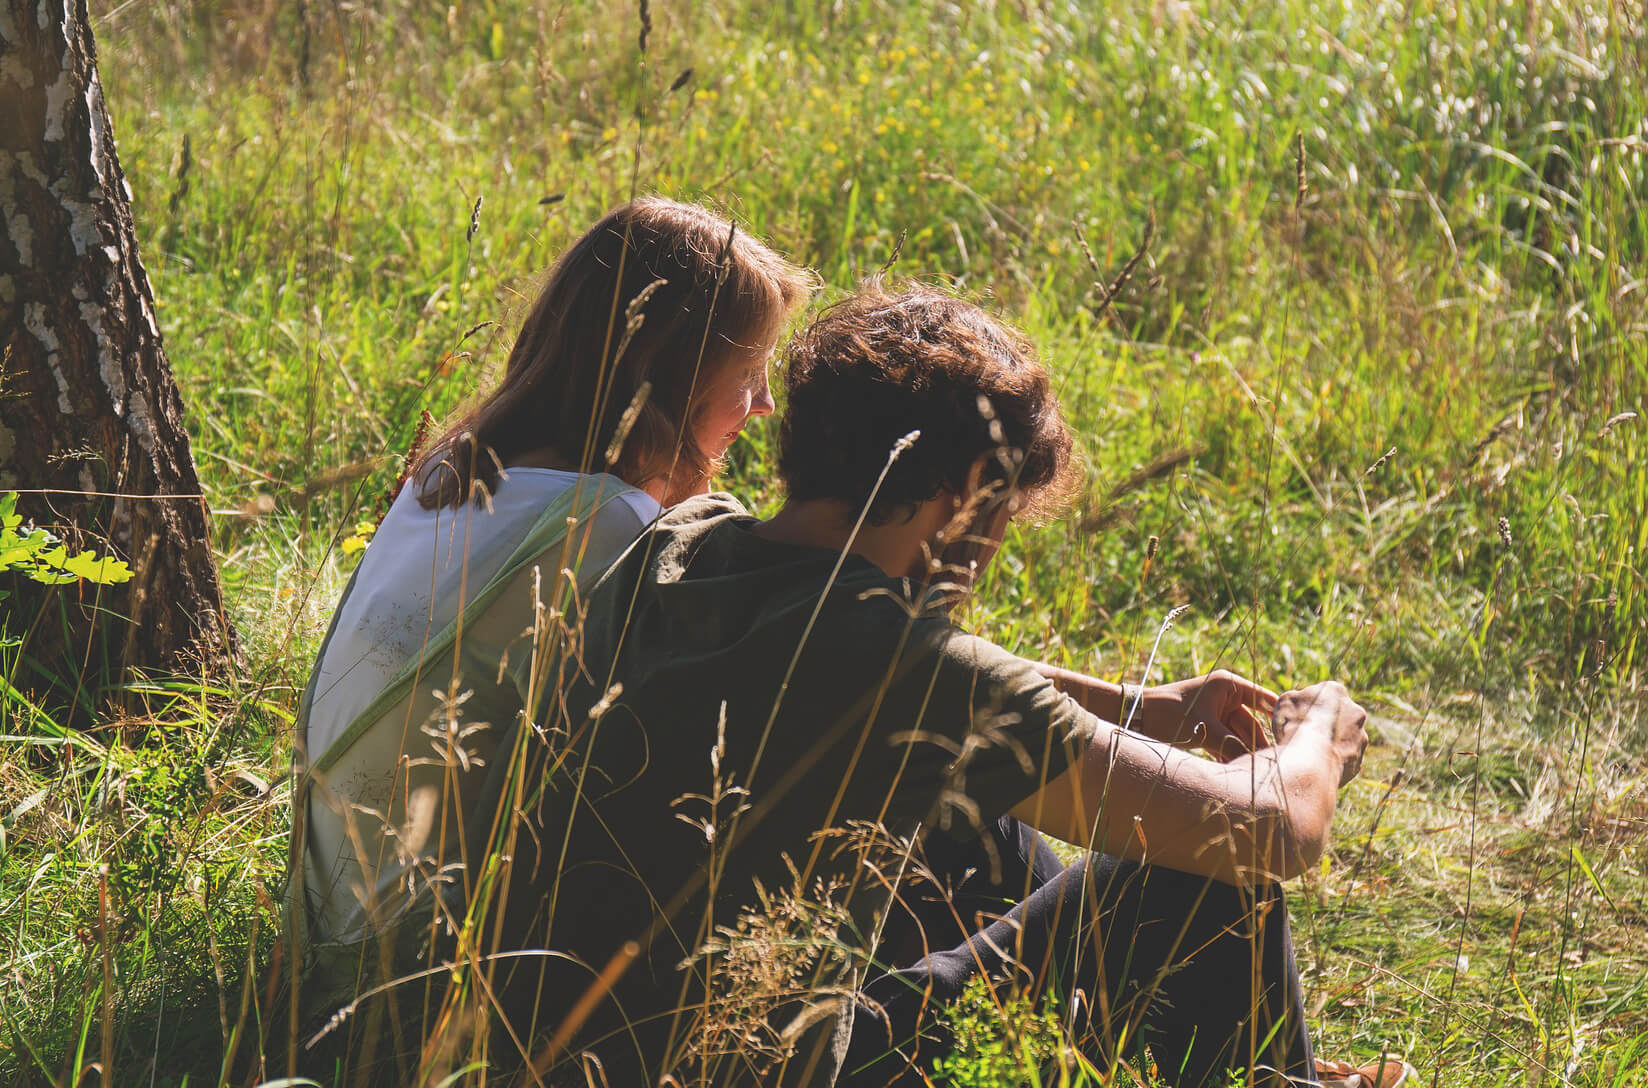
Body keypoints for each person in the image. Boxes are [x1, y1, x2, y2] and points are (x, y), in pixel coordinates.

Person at [495, 284, 1410, 1087]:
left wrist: (1137, 712)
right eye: (1003, 513)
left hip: (554, 1045)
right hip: (780, 1065)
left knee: (991, 819)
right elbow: (1269, 833)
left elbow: (876, 674)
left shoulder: (684, 544)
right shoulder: (912, 677)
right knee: (1209, 874)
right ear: (967, 489)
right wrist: (1317, 735)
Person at [287, 197, 811, 1077]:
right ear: (673, 374)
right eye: (750, 374)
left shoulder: (454, 470)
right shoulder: (607, 524)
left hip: (332, 929)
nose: (762, 405)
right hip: (433, 971)